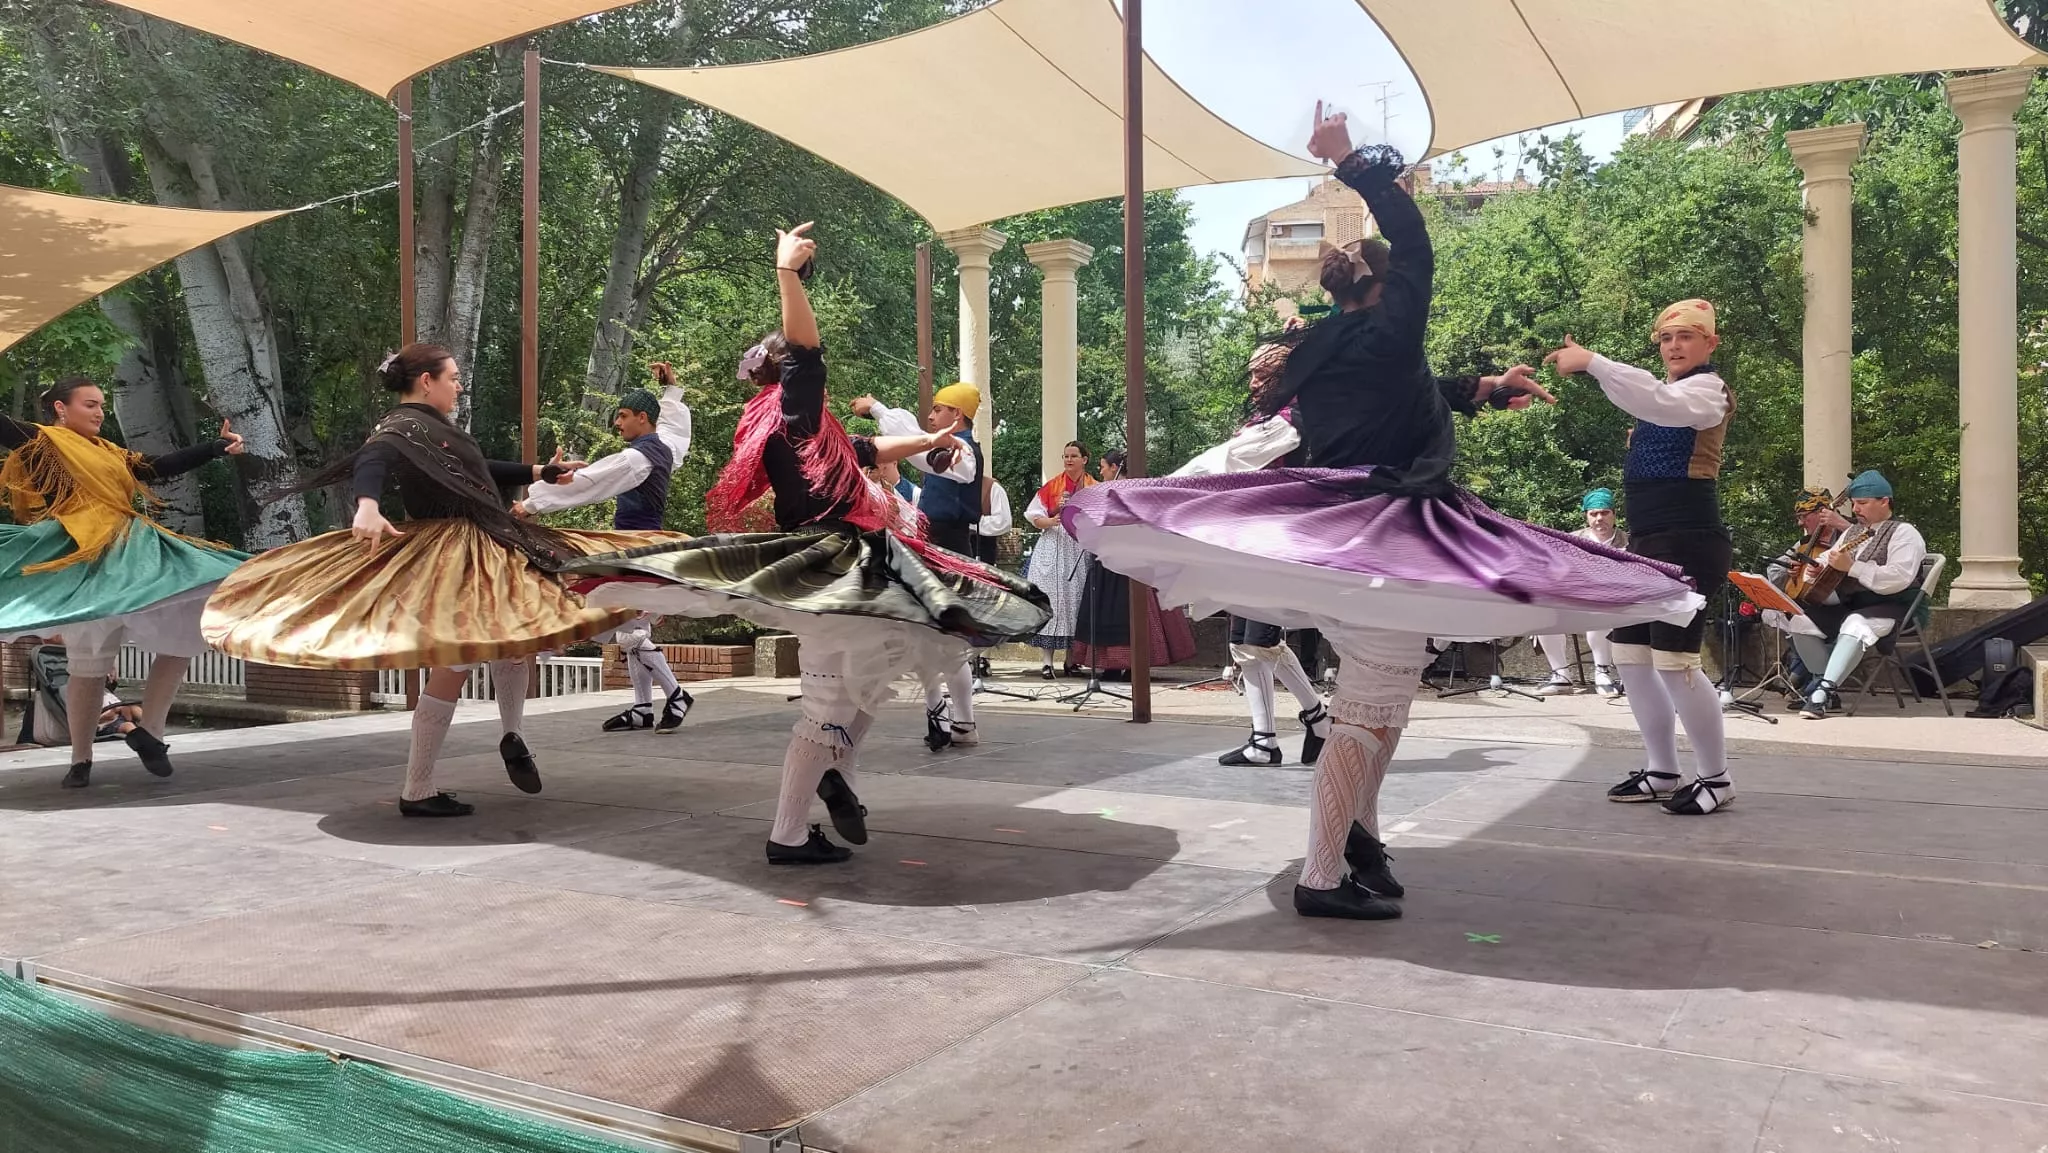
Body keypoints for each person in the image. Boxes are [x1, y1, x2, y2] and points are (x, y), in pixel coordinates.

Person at [1064, 103, 1700, 921]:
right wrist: (1351, 163)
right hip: (1384, 545)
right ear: (1383, 283)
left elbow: (1409, 390)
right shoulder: (1381, 335)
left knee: (1381, 707)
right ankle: (1321, 874)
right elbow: (1418, 252)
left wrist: (1482, 389)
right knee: (1370, 709)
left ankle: (1358, 838)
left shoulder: (1327, 350)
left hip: (1350, 541)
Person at [561, 223, 1049, 865]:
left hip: (839, 560)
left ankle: (837, 781)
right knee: (831, 707)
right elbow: (807, 352)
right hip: (834, 565)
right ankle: (791, 830)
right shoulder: (793, 403)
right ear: (788, 371)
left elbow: (865, 450)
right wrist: (787, 275)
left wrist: (928, 444)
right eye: (799, 362)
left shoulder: (794, 424)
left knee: (867, 687)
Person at [203, 343, 669, 817]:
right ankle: (419, 787)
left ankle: (512, 736)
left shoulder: (434, 429)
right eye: (453, 377)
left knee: (514, 639)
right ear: (426, 381)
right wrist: (367, 503)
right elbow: (372, 461)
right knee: (461, 657)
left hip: (486, 539)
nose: (459, 384)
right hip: (454, 550)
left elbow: (474, 470)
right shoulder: (400, 426)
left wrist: (538, 471)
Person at [0, 378, 247, 789]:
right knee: (87, 666)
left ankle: (151, 731)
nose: (99, 413)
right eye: (90, 404)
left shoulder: (109, 451)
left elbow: (157, 467)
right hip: (85, 558)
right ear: (61, 408)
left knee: (187, 631)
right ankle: (81, 760)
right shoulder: (40, 442)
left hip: (133, 549)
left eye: (101, 405)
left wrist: (215, 447)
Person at [1543, 300, 1736, 816]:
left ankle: (1716, 778)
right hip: (1649, 543)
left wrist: (1593, 362)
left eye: (1686, 337)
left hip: (1690, 539)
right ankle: (1662, 769)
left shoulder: (1707, 390)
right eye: (1667, 337)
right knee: (1631, 656)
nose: (1673, 345)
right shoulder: (1666, 395)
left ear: (1710, 344)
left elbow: (1653, 401)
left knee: (1675, 664)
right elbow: (1649, 401)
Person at [516, 365, 695, 734]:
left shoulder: (636, 457)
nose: (617, 423)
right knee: (631, 628)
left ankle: (676, 694)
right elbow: (676, 429)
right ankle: (645, 707)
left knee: (625, 624)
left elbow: (589, 482)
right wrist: (671, 390)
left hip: (635, 551)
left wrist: (531, 503)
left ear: (642, 419)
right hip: (644, 547)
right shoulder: (665, 448)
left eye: (624, 415)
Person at [851, 389, 989, 748]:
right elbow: (921, 449)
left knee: (943, 640)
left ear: (957, 414)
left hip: (950, 549)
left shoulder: (963, 452)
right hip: (933, 547)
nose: (930, 416)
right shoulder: (950, 447)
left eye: (938, 410)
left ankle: (957, 720)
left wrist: (879, 408)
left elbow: (926, 455)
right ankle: (947, 717)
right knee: (927, 637)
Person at [1782, 470, 1928, 720]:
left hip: (1894, 605)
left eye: (1862, 503)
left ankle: (1823, 693)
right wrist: (1815, 570)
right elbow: (1828, 560)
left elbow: (1898, 578)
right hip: (1854, 604)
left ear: (1884, 501)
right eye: (1854, 504)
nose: (1856, 509)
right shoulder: (1852, 533)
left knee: (1855, 623)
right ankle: (1822, 681)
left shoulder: (1904, 533)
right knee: (1798, 619)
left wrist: (1852, 567)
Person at [1533, 488, 1631, 697]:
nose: (1599, 518)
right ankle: (1561, 676)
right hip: (1575, 600)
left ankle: (1602, 672)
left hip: (1615, 604)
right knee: (1543, 615)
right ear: (1586, 516)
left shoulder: (1629, 542)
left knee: (1601, 610)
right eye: (1593, 513)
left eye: (1604, 513)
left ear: (1614, 514)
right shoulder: (1571, 540)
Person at [1023, 442, 1096, 679]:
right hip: (1054, 544)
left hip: (1078, 547)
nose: (1069, 460)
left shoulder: (1093, 486)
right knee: (1052, 598)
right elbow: (1034, 515)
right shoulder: (1053, 486)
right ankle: (1047, 662)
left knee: (1075, 601)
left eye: (1074, 456)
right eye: (1066, 456)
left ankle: (1071, 660)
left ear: (1085, 459)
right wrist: (1051, 519)